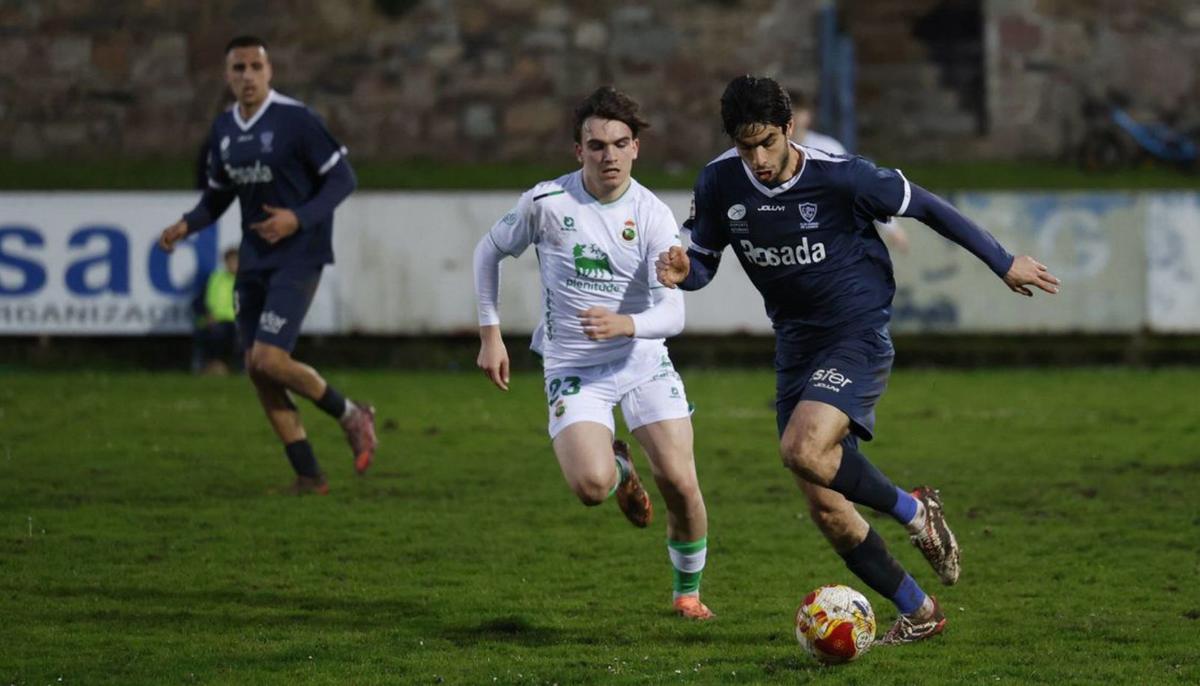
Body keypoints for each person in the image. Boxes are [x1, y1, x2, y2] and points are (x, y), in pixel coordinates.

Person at [657, 75, 1060, 643]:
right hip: (795, 344)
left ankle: (915, 510)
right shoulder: (721, 182)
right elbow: (702, 262)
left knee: (801, 447)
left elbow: (926, 206)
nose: (758, 159)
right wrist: (683, 274)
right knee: (825, 506)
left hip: (855, 333)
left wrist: (1002, 260)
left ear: (790, 129)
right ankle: (920, 611)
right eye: (746, 147)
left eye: (768, 142)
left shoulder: (840, 174)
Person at [473, 87, 714, 620]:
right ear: (577, 150)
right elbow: (488, 251)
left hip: (643, 363)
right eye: (597, 144)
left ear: (636, 149)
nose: (609, 155)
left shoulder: (652, 215)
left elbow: (674, 316)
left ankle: (687, 593)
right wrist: (491, 333)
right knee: (590, 486)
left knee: (679, 481)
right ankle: (621, 471)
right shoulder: (546, 205)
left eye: (620, 143)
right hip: (574, 369)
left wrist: (625, 324)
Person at [158, 35, 376, 495]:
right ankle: (309, 475)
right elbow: (217, 197)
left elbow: (343, 179)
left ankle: (351, 414)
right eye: (238, 68)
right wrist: (185, 225)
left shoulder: (296, 120)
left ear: (269, 71)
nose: (247, 76)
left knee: (268, 357)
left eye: (255, 67)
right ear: (227, 76)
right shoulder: (223, 130)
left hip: (300, 255)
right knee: (258, 369)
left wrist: (298, 218)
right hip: (255, 260)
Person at [789, 87, 910, 253]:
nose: (793, 118)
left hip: (826, 237)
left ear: (808, 115)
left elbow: (859, 188)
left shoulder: (827, 148)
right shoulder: (764, 155)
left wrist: (890, 227)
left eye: (798, 111)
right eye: (788, 112)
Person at [193, 246, 240, 375]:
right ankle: (212, 366)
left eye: (236, 261)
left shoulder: (246, 281)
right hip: (215, 320)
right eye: (230, 261)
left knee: (241, 334)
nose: (233, 265)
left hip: (237, 322)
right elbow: (199, 301)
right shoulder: (215, 278)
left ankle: (240, 368)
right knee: (215, 332)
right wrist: (206, 314)